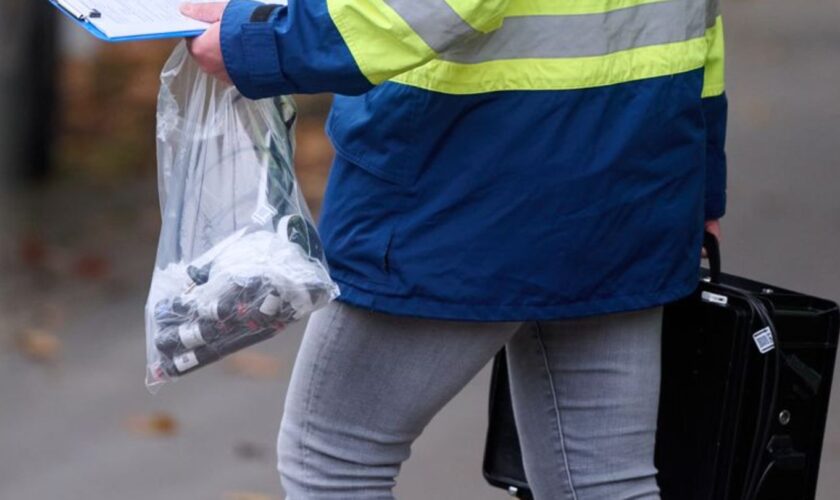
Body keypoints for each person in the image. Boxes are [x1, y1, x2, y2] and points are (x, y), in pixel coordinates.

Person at [181, 0, 727, 498]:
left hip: (467, 183)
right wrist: (702, 178)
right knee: (602, 479)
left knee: (332, 460)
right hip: (632, 176)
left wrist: (263, 40)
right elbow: (696, 27)